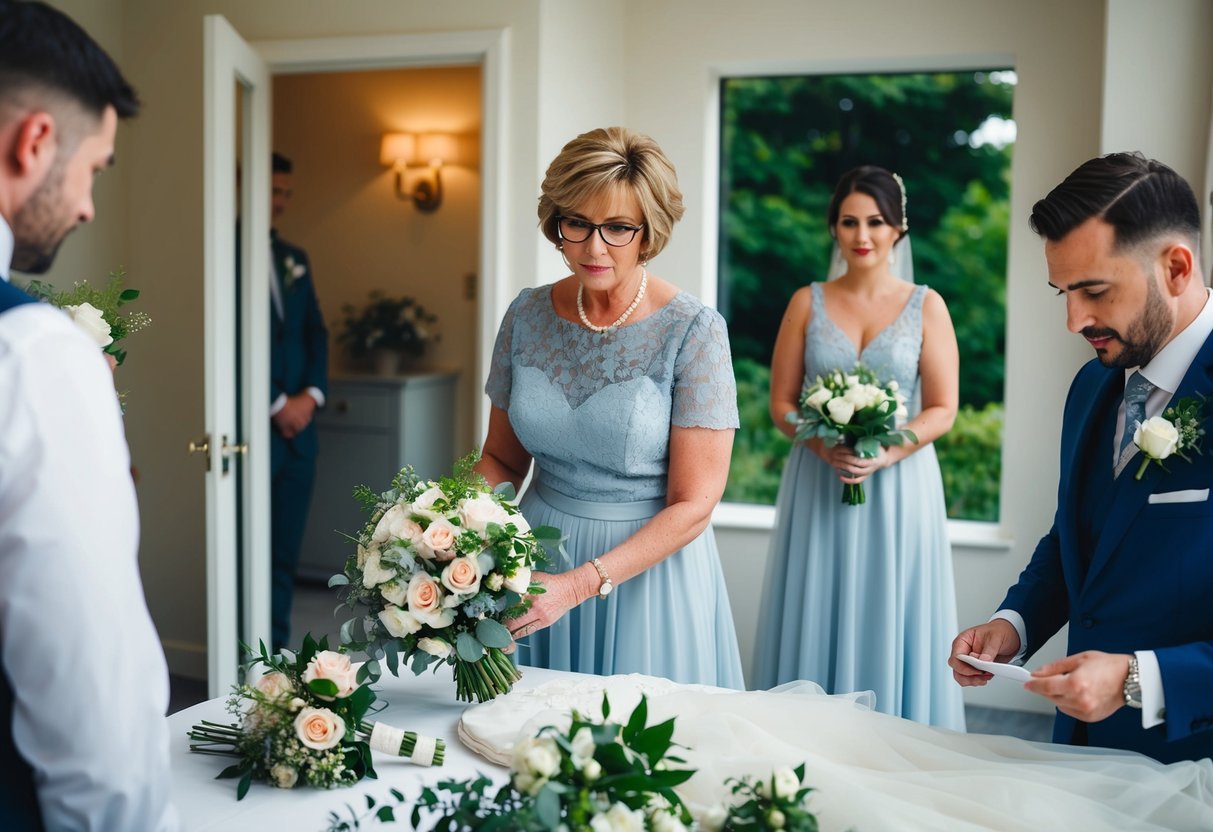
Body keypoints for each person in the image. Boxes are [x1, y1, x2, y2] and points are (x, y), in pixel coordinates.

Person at [950, 152, 1213, 763]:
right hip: (1083, 753)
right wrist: (1013, 624)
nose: (1074, 320)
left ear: (1175, 267)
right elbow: (1084, 535)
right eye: (1063, 293)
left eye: (1094, 291)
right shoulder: (1092, 385)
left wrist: (1137, 680)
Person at [477, 126, 744, 688]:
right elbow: (501, 462)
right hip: (532, 557)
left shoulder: (694, 330)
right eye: (577, 223)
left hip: (646, 573)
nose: (594, 247)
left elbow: (695, 502)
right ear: (556, 223)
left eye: (618, 228)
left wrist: (575, 586)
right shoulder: (525, 316)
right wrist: (449, 528)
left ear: (649, 233)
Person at [0, 2, 177, 829]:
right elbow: (93, 697)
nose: (88, 207)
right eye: (96, 169)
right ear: (34, 144)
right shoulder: (31, 356)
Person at [752, 165, 965, 729]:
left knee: (889, 610)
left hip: (900, 484)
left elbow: (943, 407)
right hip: (819, 480)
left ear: (899, 227)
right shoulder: (807, 301)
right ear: (834, 229)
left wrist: (888, 452)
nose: (862, 234)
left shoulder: (927, 305)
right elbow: (780, 403)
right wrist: (825, 449)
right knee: (818, 604)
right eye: (849, 221)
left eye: (875, 221)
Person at [265, 151, 329, 651]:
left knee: (284, 553)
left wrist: (308, 396)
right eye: (271, 190)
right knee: (251, 554)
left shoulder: (295, 258)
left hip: (299, 436)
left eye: (285, 192)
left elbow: (314, 334)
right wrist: (273, 403)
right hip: (252, 434)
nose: (278, 202)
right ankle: (246, 655)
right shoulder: (225, 256)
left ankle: (278, 654)